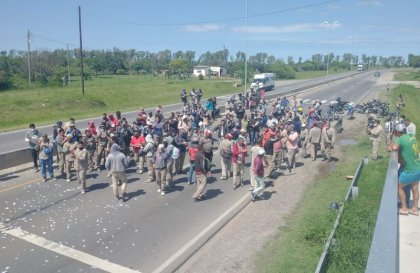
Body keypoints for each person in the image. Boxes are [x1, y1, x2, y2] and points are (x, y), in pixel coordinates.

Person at [388, 123, 420, 215]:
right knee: (415, 187)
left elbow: (394, 148)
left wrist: (390, 145)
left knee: (400, 187)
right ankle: (414, 209)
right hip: (418, 166)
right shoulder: (412, 137)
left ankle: (404, 208)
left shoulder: (400, 139)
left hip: (409, 169)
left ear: (398, 132)